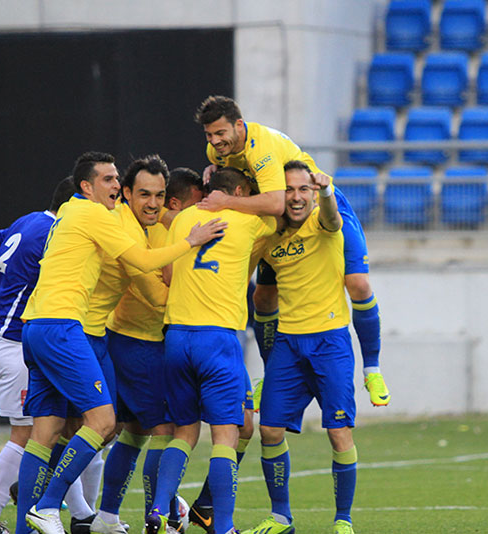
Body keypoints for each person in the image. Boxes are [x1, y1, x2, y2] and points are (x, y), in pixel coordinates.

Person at [14, 151, 227, 534]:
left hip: (51, 326)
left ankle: (44, 520)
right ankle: (51, 506)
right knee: (113, 423)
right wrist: (192, 241)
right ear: (90, 187)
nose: (152, 203)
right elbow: (144, 266)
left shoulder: (72, 210)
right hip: (74, 330)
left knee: (53, 430)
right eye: (111, 181)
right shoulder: (105, 217)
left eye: (159, 195)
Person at [194, 95, 390, 407]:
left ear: (239, 126)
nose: (216, 141)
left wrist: (226, 201)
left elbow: (274, 201)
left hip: (316, 206)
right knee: (261, 297)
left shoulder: (263, 148)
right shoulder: (217, 151)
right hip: (280, 221)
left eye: (221, 133)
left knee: (358, 283)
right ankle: (270, 374)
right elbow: (262, 197)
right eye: (210, 135)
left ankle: (372, 369)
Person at [144, 167, 277, 534]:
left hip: (176, 337)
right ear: (236, 191)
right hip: (217, 339)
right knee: (225, 435)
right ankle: (224, 526)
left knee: (183, 432)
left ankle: (158, 509)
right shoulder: (248, 222)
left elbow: (169, 276)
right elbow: (280, 207)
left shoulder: (185, 217)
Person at [244, 160, 359, 534]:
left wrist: (325, 192)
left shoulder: (325, 221)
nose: (295, 197)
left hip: (331, 342)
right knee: (270, 430)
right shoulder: (270, 238)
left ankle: (343, 520)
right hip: (288, 345)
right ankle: (281, 517)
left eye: (303, 190)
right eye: (289, 189)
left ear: (312, 194)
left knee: (339, 432)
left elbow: (331, 216)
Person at [0, 176, 74, 534]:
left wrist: (9, 281)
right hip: (13, 341)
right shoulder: (53, 233)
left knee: (55, 427)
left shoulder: (28, 220)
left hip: (7, 335)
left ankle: (81, 513)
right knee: (28, 434)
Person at [82, 155, 179, 534]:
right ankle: (160, 518)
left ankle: (105, 515)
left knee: (127, 431)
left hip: (119, 337)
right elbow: (156, 295)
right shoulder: (122, 226)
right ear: (125, 194)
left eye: (159, 195)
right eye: (143, 195)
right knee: (164, 430)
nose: (152, 203)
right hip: (138, 344)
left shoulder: (157, 227)